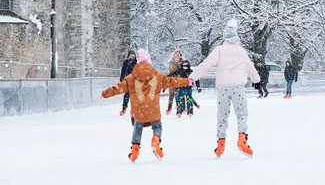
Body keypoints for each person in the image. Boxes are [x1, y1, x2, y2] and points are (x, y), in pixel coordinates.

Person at [101, 49, 190, 162]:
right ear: (149, 62)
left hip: (139, 110)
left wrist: (105, 94)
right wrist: (187, 81)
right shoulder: (158, 76)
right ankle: (156, 140)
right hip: (153, 109)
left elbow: (119, 88)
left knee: (138, 128)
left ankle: (135, 149)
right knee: (157, 126)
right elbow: (173, 81)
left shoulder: (131, 78)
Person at [190, 19, 261, 158]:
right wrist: (256, 80)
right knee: (242, 114)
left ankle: (220, 144)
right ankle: (242, 140)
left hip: (223, 88)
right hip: (238, 87)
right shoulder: (241, 51)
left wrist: (192, 77)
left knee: (222, 115)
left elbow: (206, 63)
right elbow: (250, 67)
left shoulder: (219, 50)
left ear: (224, 37)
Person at [118, 50, 136, 116]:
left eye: (133, 54)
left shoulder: (136, 62)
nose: (132, 56)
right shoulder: (126, 62)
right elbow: (123, 70)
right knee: (127, 95)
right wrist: (122, 78)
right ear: (129, 55)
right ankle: (124, 109)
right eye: (131, 54)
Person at [165, 49, 183, 114]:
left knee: (178, 96)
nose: (177, 56)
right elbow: (171, 71)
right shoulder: (171, 62)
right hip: (172, 80)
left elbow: (183, 70)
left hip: (179, 81)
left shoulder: (182, 62)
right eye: (175, 55)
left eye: (178, 55)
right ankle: (169, 108)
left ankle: (179, 109)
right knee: (171, 95)